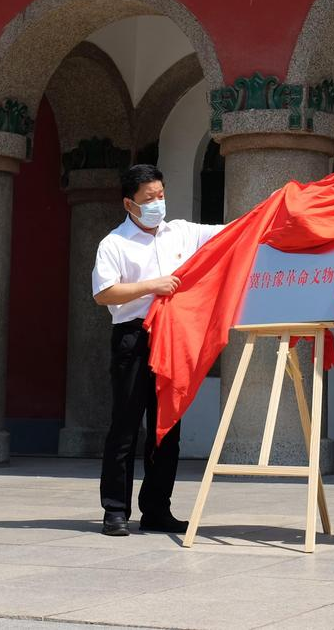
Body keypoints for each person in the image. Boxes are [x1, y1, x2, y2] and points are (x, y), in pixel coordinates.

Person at [92, 164, 227, 536]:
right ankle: (115, 510)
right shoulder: (114, 243)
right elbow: (104, 293)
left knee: (167, 428)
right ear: (129, 203)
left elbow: (228, 235)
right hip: (133, 337)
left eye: (161, 195)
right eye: (149, 199)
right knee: (126, 426)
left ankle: (156, 509)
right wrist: (152, 286)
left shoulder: (181, 232)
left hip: (172, 337)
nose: (157, 204)